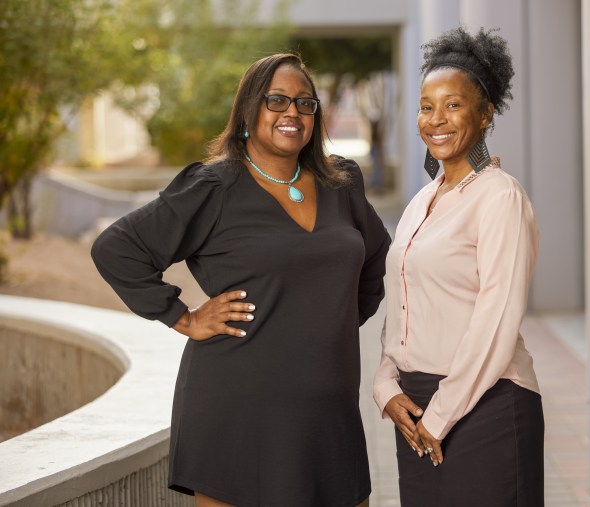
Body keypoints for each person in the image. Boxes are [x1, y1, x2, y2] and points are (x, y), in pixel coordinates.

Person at [91, 53, 391, 507]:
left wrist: (335, 319)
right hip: (237, 407)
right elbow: (117, 249)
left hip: (330, 414)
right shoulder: (213, 187)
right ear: (249, 111)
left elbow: (377, 259)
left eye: (304, 103)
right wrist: (183, 317)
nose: (292, 112)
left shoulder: (340, 182)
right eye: (277, 100)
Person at [373, 27, 544, 506]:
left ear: (485, 113)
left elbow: (497, 318)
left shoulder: (499, 196)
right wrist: (386, 382)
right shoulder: (422, 201)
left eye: (453, 104)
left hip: (485, 404)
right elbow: (403, 300)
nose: (436, 119)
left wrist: (440, 414)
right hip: (417, 409)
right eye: (427, 106)